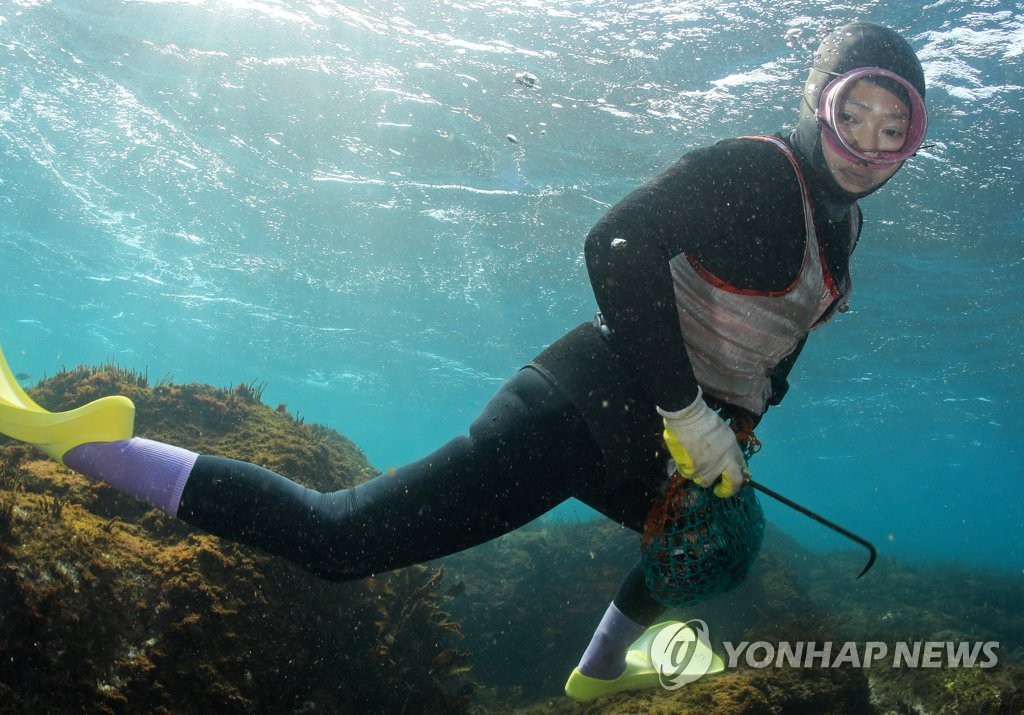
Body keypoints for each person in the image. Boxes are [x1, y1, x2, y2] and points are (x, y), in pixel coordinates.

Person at [0, 21, 926, 702]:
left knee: (713, 543)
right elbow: (614, 245)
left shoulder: (842, 218)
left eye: (896, 128)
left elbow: (773, 345)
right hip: (579, 411)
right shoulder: (757, 171)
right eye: (857, 113)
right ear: (820, 102)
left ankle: (596, 672)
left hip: (661, 439)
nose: (870, 144)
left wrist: (736, 430)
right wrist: (690, 415)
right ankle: (73, 439)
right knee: (340, 541)